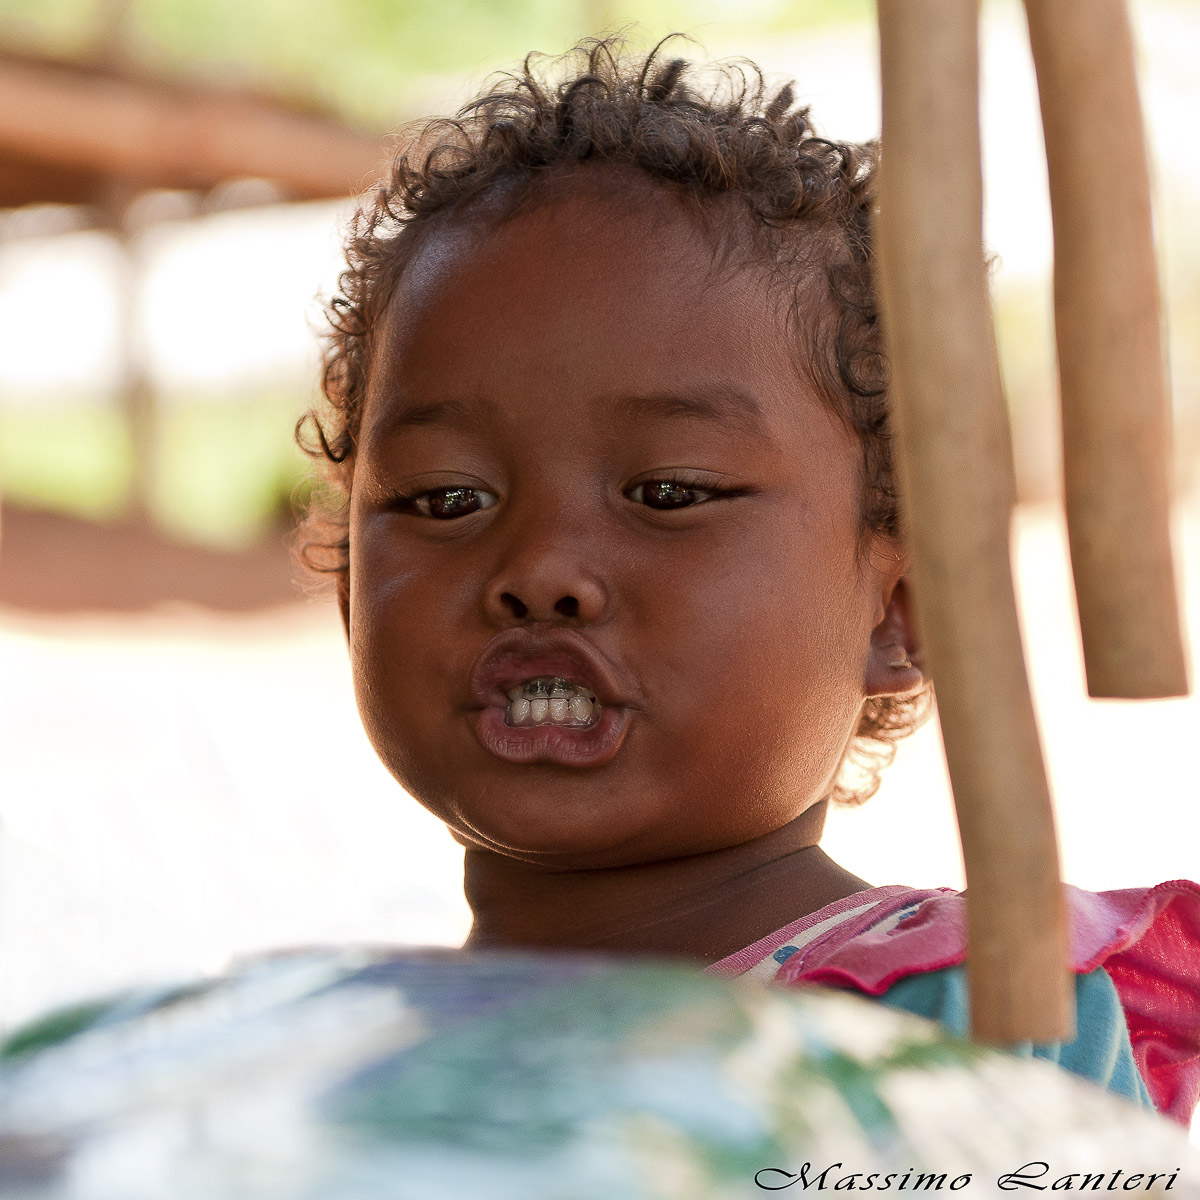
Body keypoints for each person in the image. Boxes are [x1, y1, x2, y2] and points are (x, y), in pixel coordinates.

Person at [297, 37, 1199, 1125]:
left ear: (904, 611)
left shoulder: (943, 1036)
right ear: (350, 585)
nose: (537, 571)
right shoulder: (324, 1065)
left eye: (669, 493)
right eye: (446, 499)